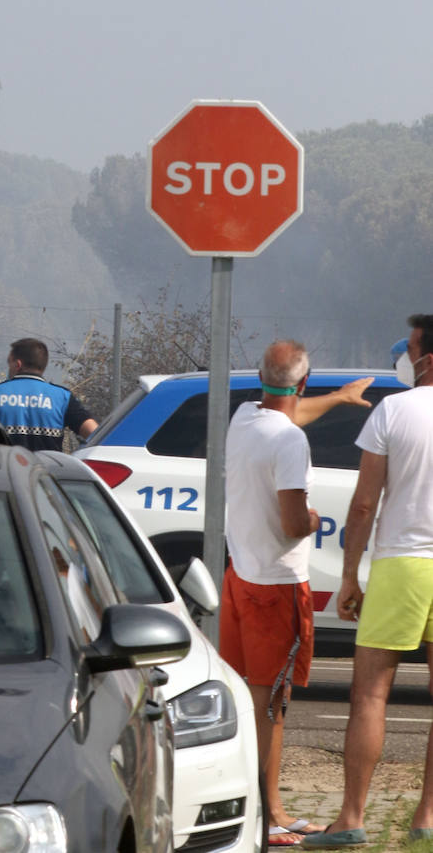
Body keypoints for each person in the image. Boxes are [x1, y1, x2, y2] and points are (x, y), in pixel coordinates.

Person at [305, 315, 433, 849]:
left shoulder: (394, 410)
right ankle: (427, 817)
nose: (403, 356)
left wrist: (350, 573)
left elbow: (363, 503)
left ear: (426, 358)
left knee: (371, 695)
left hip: (403, 563)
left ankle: (351, 815)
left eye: (408, 348)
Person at [220, 339, 327, 846]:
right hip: (277, 587)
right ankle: (268, 816)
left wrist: (341, 399)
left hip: (240, 577)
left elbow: (287, 413)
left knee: (250, 697)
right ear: (303, 383)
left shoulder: (243, 418)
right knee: (272, 706)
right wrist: (316, 518)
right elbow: (292, 522)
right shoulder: (290, 443)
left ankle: (259, 808)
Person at [0, 337, 97, 451]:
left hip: (4, 478)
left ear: (18, 365)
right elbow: (94, 433)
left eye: (9, 362)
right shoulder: (62, 398)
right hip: (46, 481)